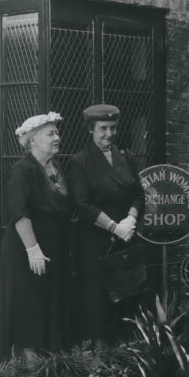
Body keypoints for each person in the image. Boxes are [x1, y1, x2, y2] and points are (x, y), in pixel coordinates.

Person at [69, 104, 145, 346]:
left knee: (128, 299)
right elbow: (82, 204)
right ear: (91, 130)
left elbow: (138, 194)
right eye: (103, 129)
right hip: (97, 243)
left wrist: (131, 218)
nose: (109, 134)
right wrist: (113, 226)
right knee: (98, 303)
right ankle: (101, 363)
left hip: (126, 238)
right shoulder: (80, 161)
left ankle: (127, 356)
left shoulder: (127, 156)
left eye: (113, 128)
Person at [0, 112, 74, 359]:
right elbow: (18, 212)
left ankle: (51, 372)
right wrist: (33, 250)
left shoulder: (56, 167)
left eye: (56, 132)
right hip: (27, 251)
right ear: (32, 140)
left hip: (53, 248)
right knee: (30, 308)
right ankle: (29, 374)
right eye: (50, 134)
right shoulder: (23, 169)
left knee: (50, 305)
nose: (57, 137)